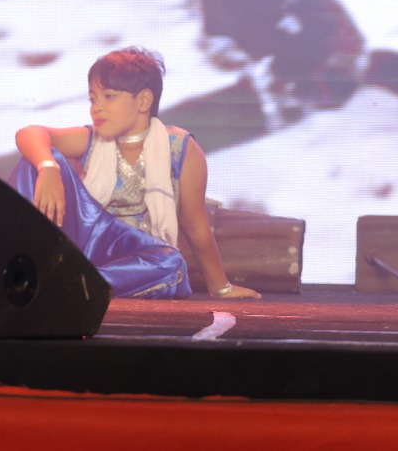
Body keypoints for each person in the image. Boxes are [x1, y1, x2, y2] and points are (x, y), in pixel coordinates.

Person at [13, 46, 260, 300]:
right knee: (38, 159)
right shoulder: (90, 139)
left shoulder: (180, 148)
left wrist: (221, 287)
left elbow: (194, 223)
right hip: (86, 240)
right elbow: (30, 133)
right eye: (93, 99)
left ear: (143, 101)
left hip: (138, 257)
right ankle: (23, 268)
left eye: (109, 96)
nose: (96, 108)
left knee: (171, 265)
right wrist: (48, 167)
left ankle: (72, 284)